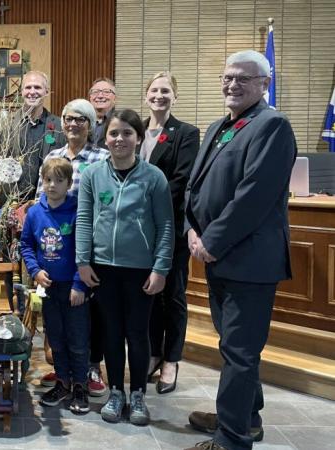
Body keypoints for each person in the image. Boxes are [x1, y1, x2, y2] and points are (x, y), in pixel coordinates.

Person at [183, 50, 296, 450]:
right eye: (228, 77)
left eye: (243, 79)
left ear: (264, 84)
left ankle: (231, 440)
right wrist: (191, 230)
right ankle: (244, 416)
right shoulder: (219, 126)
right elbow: (195, 188)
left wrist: (210, 242)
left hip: (249, 261)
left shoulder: (272, 126)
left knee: (240, 352)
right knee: (235, 347)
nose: (233, 84)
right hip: (219, 258)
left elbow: (254, 196)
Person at [76, 109, 174, 426]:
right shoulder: (92, 175)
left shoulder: (154, 177)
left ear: (138, 138)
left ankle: (138, 396)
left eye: (127, 133)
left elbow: (166, 227)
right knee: (112, 334)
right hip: (103, 268)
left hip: (141, 271)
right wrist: (82, 260)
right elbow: (84, 220)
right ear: (105, 139)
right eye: (114, 133)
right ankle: (116, 392)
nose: (120, 139)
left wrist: (160, 268)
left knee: (138, 333)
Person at [34, 99, 109, 399]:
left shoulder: (101, 157)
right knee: (57, 316)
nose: (73, 124)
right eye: (68, 118)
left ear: (90, 124)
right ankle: (64, 371)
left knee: (88, 314)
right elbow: (42, 198)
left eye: (81, 119)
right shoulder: (53, 155)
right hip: (56, 249)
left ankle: (89, 368)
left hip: (89, 244)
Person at [141, 72, 200, 395]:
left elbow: (182, 180)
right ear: (146, 95)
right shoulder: (136, 131)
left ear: (174, 97)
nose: (159, 95)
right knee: (149, 293)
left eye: (166, 91)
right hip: (139, 230)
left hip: (171, 227)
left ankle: (171, 360)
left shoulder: (186, 133)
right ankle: (152, 352)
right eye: (154, 90)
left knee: (173, 295)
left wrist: (144, 199)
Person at [21, 158, 90, 414]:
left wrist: (79, 284)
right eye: (48, 180)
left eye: (59, 181)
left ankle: (80, 385)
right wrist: (35, 271)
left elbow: (85, 249)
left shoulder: (77, 210)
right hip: (48, 288)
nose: (52, 186)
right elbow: (26, 244)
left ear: (68, 183)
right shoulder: (35, 212)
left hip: (74, 289)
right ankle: (62, 381)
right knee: (56, 338)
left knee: (78, 338)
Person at [0, 70, 66, 206]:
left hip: (47, 204)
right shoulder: (5, 124)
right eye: (28, 87)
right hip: (10, 204)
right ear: (21, 92)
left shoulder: (59, 126)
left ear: (46, 92)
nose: (32, 92)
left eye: (37, 87)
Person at [88, 77, 117, 148]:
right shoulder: (82, 120)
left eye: (106, 91)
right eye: (95, 92)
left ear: (115, 99)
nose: (100, 96)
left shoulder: (121, 121)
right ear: (90, 98)